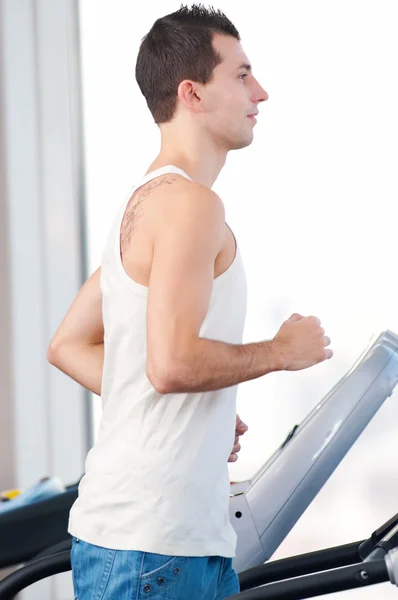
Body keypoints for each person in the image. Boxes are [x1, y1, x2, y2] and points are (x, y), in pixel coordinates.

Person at [47, 4, 333, 599]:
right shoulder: (187, 206)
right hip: (153, 547)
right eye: (241, 74)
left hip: (158, 541)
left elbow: (69, 345)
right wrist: (281, 351)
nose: (262, 91)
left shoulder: (147, 203)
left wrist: (199, 409)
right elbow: (171, 364)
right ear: (192, 94)